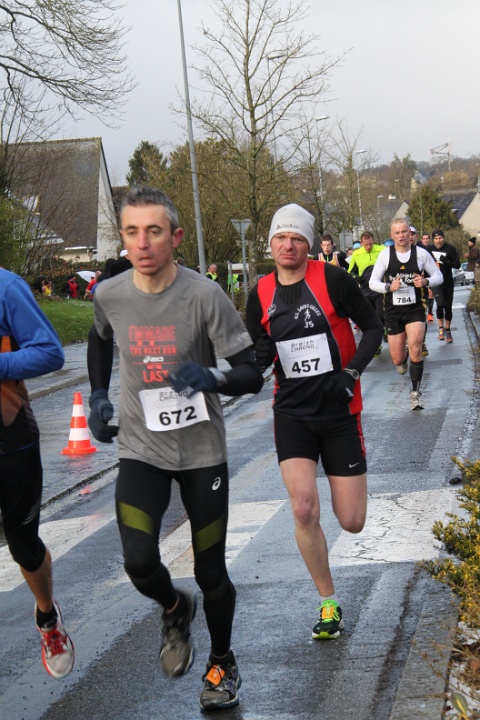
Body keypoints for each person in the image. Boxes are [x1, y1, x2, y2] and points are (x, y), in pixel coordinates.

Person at [87, 186, 263, 712]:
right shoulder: (110, 294)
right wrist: (98, 395)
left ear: (176, 236)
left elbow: (251, 373)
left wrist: (212, 376)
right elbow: (99, 337)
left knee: (210, 571)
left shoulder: (204, 296)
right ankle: (173, 607)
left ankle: (222, 663)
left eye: (154, 231)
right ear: (123, 238)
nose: (142, 243)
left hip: (201, 455)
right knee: (139, 560)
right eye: (132, 232)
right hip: (141, 449)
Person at [245, 203, 383, 642]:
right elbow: (259, 352)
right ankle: (328, 601)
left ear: (308, 244)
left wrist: (352, 372)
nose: (288, 245)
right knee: (303, 508)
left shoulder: (333, 279)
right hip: (292, 414)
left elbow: (374, 328)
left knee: (352, 521)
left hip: (340, 412)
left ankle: (348, 507)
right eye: (280, 238)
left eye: (297, 238)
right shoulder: (260, 292)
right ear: (270, 243)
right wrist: (254, 361)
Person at [0, 268, 74, 679]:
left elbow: (50, 352)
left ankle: (47, 618)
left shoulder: (6, 288)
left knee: (23, 546)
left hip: (10, 438)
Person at [369, 218, 443, 409]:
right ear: (392, 235)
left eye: (404, 232)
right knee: (397, 359)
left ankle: (415, 393)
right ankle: (403, 359)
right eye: (397, 233)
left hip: (415, 308)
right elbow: (372, 282)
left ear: (410, 234)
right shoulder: (386, 255)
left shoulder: (421, 254)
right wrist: (388, 286)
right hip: (393, 311)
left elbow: (438, 276)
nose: (401, 236)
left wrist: (425, 282)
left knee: (416, 347)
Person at [348, 231, 385, 356]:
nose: (368, 247)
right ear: (361, 243)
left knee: (380, 314)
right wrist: (356, 277)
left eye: (370, 244)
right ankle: (377, 344)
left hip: (379, 289)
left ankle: (383, 330)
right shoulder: (356, 254)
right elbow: (351, 272)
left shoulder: (382, 250)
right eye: (366, 245)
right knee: (370, 319)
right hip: (365, 291)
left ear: (373, 241)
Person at [430, 229, 461, 343]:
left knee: (448, 307)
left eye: (440, 238)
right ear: (433, 240)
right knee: (440, 304)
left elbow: (457, 265)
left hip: (447, 281)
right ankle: (440, 328)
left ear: (443, 238)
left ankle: (448, 330)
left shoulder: (450, 249)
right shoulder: (429, 249)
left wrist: (447, 261)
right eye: (436, 238)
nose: (438, 241)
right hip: (435, 282)